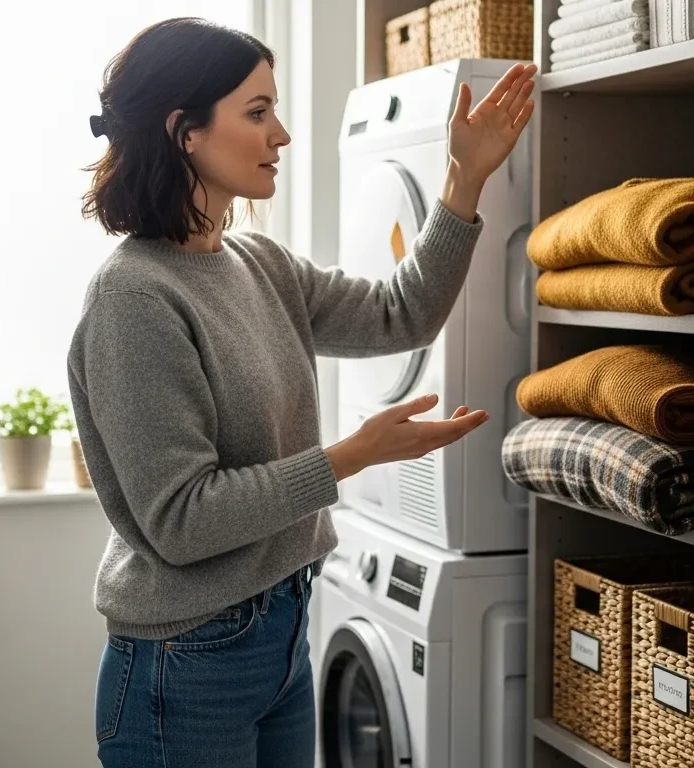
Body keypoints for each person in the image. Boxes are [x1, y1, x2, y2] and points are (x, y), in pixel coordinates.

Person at [68, 16, 535, 768]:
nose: (280, 135)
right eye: (257, 113)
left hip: (282, 631)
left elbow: (401, 313)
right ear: (184, 130)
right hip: (187, 665)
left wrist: (465, 177)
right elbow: (183, 521)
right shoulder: (134, 298)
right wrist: (352, 456)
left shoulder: (259, 262)